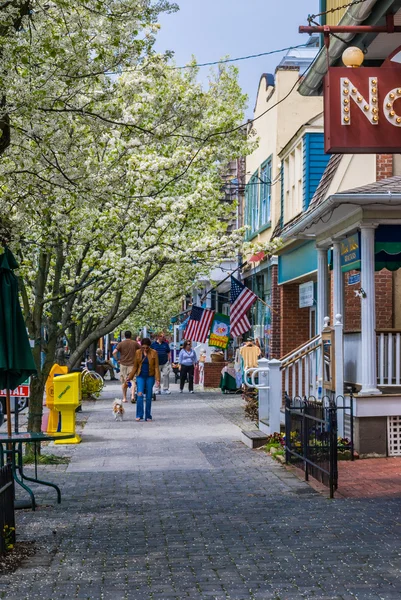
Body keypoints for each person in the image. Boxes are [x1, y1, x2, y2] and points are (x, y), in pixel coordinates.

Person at [127, 338, 160, 421]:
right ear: (141, 346)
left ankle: (148, 415)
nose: (145, 349)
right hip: (140, 376)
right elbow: (135, 366)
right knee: (139, 394)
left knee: (149, 396)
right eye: (143, 347)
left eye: (147, 347)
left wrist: (157, 379)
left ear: (149, 346)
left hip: (150, 376)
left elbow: (156, 367)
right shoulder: (138, 352)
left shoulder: (154, 353)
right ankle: (139, 415)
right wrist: (130, 377)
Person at [113, 331, 140, 403]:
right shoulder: (135, 343)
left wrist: (117, 360)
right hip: (132, 365)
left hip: (123, 364)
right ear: (131, 336)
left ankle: (124, 398)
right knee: (133, 380)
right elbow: (141, 351)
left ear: (125, 336)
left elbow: (114, 352)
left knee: (124, 381)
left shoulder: (121, 344)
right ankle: (133, 396)